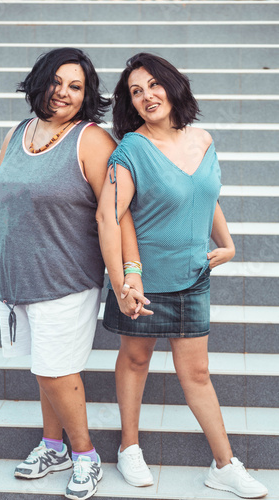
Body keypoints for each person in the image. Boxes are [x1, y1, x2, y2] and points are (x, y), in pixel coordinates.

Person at [96, 52, 268, 499]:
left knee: (198, 373)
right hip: (144, 282)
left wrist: (227, 243)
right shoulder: (131, 149)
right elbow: (109, 216)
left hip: (193, 276)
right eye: (136, 92)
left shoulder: (204, 139)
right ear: (130, 104)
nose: (147, 96)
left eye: (153, 85)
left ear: (172, 86)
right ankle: (129, 447)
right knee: (135, 361)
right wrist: (122, 283)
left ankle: (225, 465)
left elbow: (205, 195)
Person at [0, 47, 139, 500]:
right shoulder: (17, 134)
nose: (64, 93)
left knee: (56, 370)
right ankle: (52, 446)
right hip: (17, 281)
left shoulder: (91, 140)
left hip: (65, 280)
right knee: (44, 369)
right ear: (39, 82)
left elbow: (118, 213)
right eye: (57, 82)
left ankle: (86, 455)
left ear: (87, 95)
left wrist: (128, 273)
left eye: (76, 86)